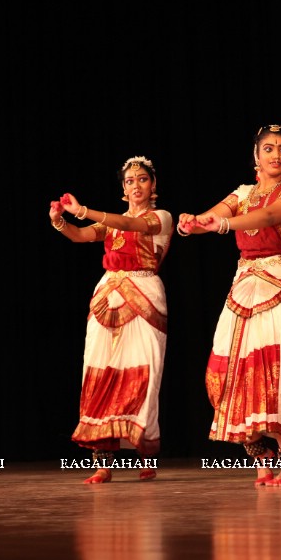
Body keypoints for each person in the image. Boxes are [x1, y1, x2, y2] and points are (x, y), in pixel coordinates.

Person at [178, 124, 281, 487]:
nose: (276, 155)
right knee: (225, 372)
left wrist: (221, 225)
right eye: (268, 148)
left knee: (274, 371)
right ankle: (259, 453)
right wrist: (195, 223)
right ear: (256, 155)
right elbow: (214, 215)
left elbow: (269, 218)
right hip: (246, 284)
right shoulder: (242, 192)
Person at [50, 156, 172, 484]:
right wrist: (60, 221)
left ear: (154, 185)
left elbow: (133, 226)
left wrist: (84, 210)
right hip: (107, 295)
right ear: (123, 188)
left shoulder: (161, 217)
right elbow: (79, 236)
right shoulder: (110, 224)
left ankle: (146, 452)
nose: (136, 186)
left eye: (142, 179)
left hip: (144, 294)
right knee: (101, 370)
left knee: (143, 373)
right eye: (130, 181)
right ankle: (103, 459)